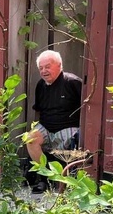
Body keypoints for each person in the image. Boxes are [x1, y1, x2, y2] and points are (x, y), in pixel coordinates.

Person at [24, 50, 83, 193]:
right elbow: (38, 111)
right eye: (41, 68)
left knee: (74, 140)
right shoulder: (41, 85)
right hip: (46, 126)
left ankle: (66, 181)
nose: (44, 71)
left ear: (59, 65)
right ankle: (44, 178)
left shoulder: (73, 82)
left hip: (69, 127)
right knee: (30, 139)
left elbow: (87, 110)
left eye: (48, 66)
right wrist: (38, 131)